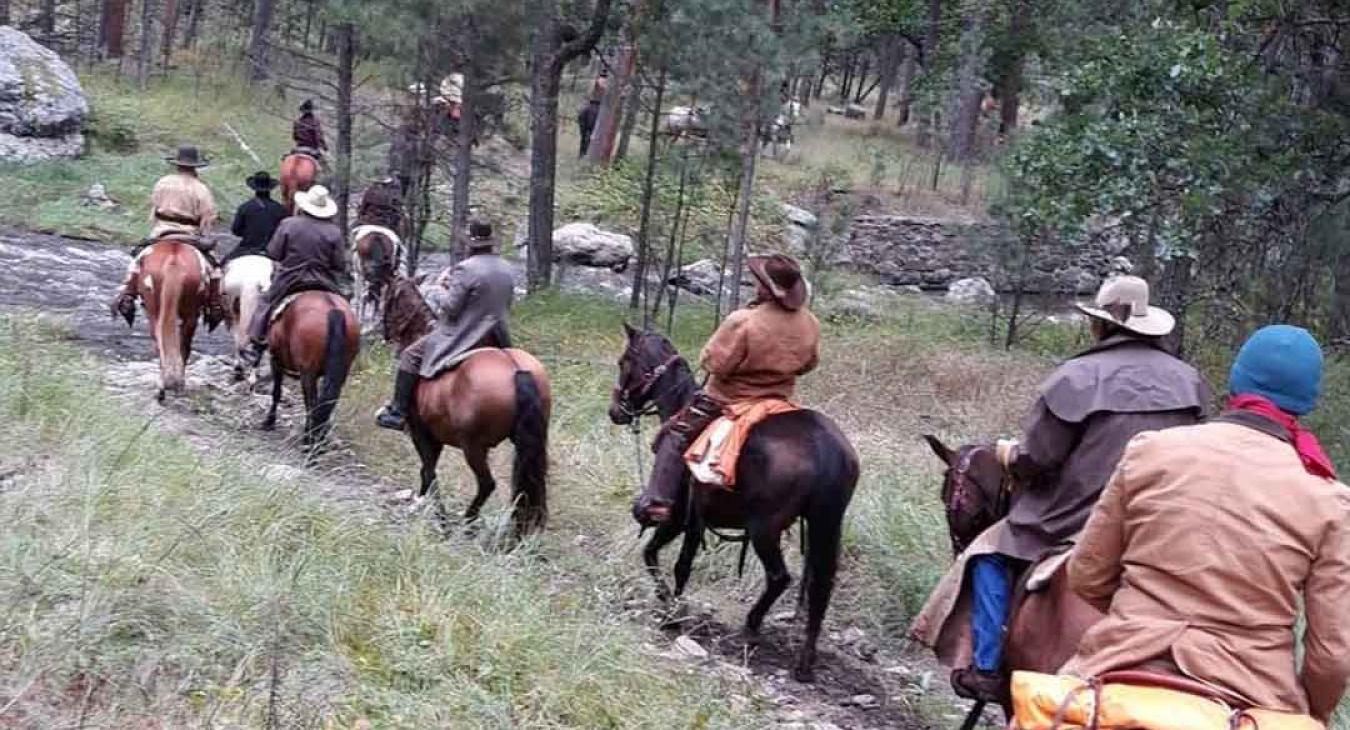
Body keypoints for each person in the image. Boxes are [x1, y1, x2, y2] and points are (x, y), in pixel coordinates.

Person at [1063, 324, 1350, 724]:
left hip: (1118, 658)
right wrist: (1314, 713)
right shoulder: (1329, 500)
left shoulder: (1151, 450)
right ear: (1308, 402)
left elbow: (1086, 574)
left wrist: (1142, 617)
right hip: (1253, 688)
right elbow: (1332, 653)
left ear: (1235, 381)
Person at [950, 275, 1211, 703]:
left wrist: (1009, 455)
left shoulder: (1076, 377)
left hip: (1073, 518)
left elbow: (1038, 459)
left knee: (989, 553)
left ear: (1101, 324)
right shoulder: (1189, 381)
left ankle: (986, 668)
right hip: (1161, 523)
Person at [631, 253, 820, 523]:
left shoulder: (743, 320)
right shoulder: (809, 322)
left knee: (675, 433)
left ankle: (658, 503)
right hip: (778, 400)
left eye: (758, 281)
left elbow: (714, 364)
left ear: (765, 288)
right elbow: (809, 364)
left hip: (729, 399)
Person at [375, 220, 514, 430]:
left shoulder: (466, 268)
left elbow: (451, 308)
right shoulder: (506, 267)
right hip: (497, 334)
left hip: (465, 335)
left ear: (470, 244)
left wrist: (439, 289)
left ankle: (398, 412)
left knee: (410, 356)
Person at [110, 144, 223, 326]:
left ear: (177, 164)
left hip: (162, 231)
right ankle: (215, 303)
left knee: (137, 260)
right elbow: (207, 218)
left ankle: (128, 294)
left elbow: (154, 211)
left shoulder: (162, 183)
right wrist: (204, 233)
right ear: (195, 166)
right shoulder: (202, 189)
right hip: (190, 234)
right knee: (215, 266)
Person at [240, 185, 347, 364]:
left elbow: (274, 253)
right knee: (343, 305)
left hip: (291, 278)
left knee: (266, 301)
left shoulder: (289, 224)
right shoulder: (334, 231)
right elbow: (339, 265)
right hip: (324, 280)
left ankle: (256, 345)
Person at [224, 171, 287, 264]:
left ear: (254, 188)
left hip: (247, 249)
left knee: (223, 264)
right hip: (272, 251)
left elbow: (236, 231)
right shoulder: (280, 209)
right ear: (270, 189)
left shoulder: (244, 207)